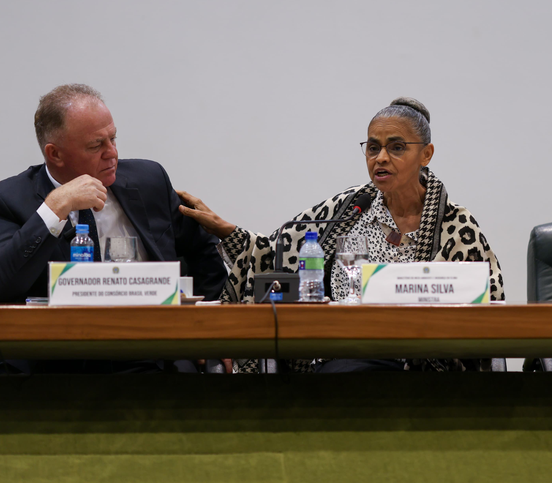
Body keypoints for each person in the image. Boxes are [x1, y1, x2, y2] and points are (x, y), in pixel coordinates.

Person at [179, 97, 504, 373]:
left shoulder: (455, 224)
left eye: (397, 147)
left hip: (420, 365)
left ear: (426, 154)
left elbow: (487, 305)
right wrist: (226, 229)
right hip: (339, 355)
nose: (381, 158)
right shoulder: (349, 208)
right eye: (373, 148)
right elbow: (276, 252)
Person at [0, 84, 227, 372]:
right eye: (96, 145)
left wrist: (210, 333)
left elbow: (203, 254)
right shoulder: (10, 199)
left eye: (113, 139)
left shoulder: (149, 180)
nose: (112, 153)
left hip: (157, 350)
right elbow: (5, 283)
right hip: (63, 359)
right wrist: (54, 208)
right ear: (55, 154)